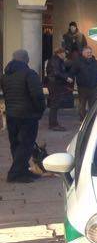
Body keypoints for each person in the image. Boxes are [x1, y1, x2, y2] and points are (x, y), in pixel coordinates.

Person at [1, 50, 46, 183]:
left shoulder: (5, 76)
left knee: (15, 144)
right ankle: (14, 174)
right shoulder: (29, 74)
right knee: (26, 145)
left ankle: (23, 171)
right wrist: (40, 111)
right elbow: (37, 95)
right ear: (26, 59)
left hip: (11, 115)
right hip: (27, 115)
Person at [45, 47, 72, 132]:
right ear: (60, 53)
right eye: (64, 53)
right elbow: (56, 72)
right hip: (55, 85)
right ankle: (53, 124)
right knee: (54, 104)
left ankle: (54, 123)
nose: (65, 55)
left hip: (56, 84)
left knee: (55, 104)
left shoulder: (58, 61)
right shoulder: (55, 61)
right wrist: (66, 78)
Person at [71, 47, 97, 119]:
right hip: (83, 87)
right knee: (82, 104)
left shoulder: (95, 62)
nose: (89, 54)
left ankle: (92, 119)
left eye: (90, 52)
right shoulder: (78, 62)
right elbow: (73, 72)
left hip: (93, 87)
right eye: (87, 52)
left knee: (93, 104)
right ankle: (83, 119)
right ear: (83, 53)